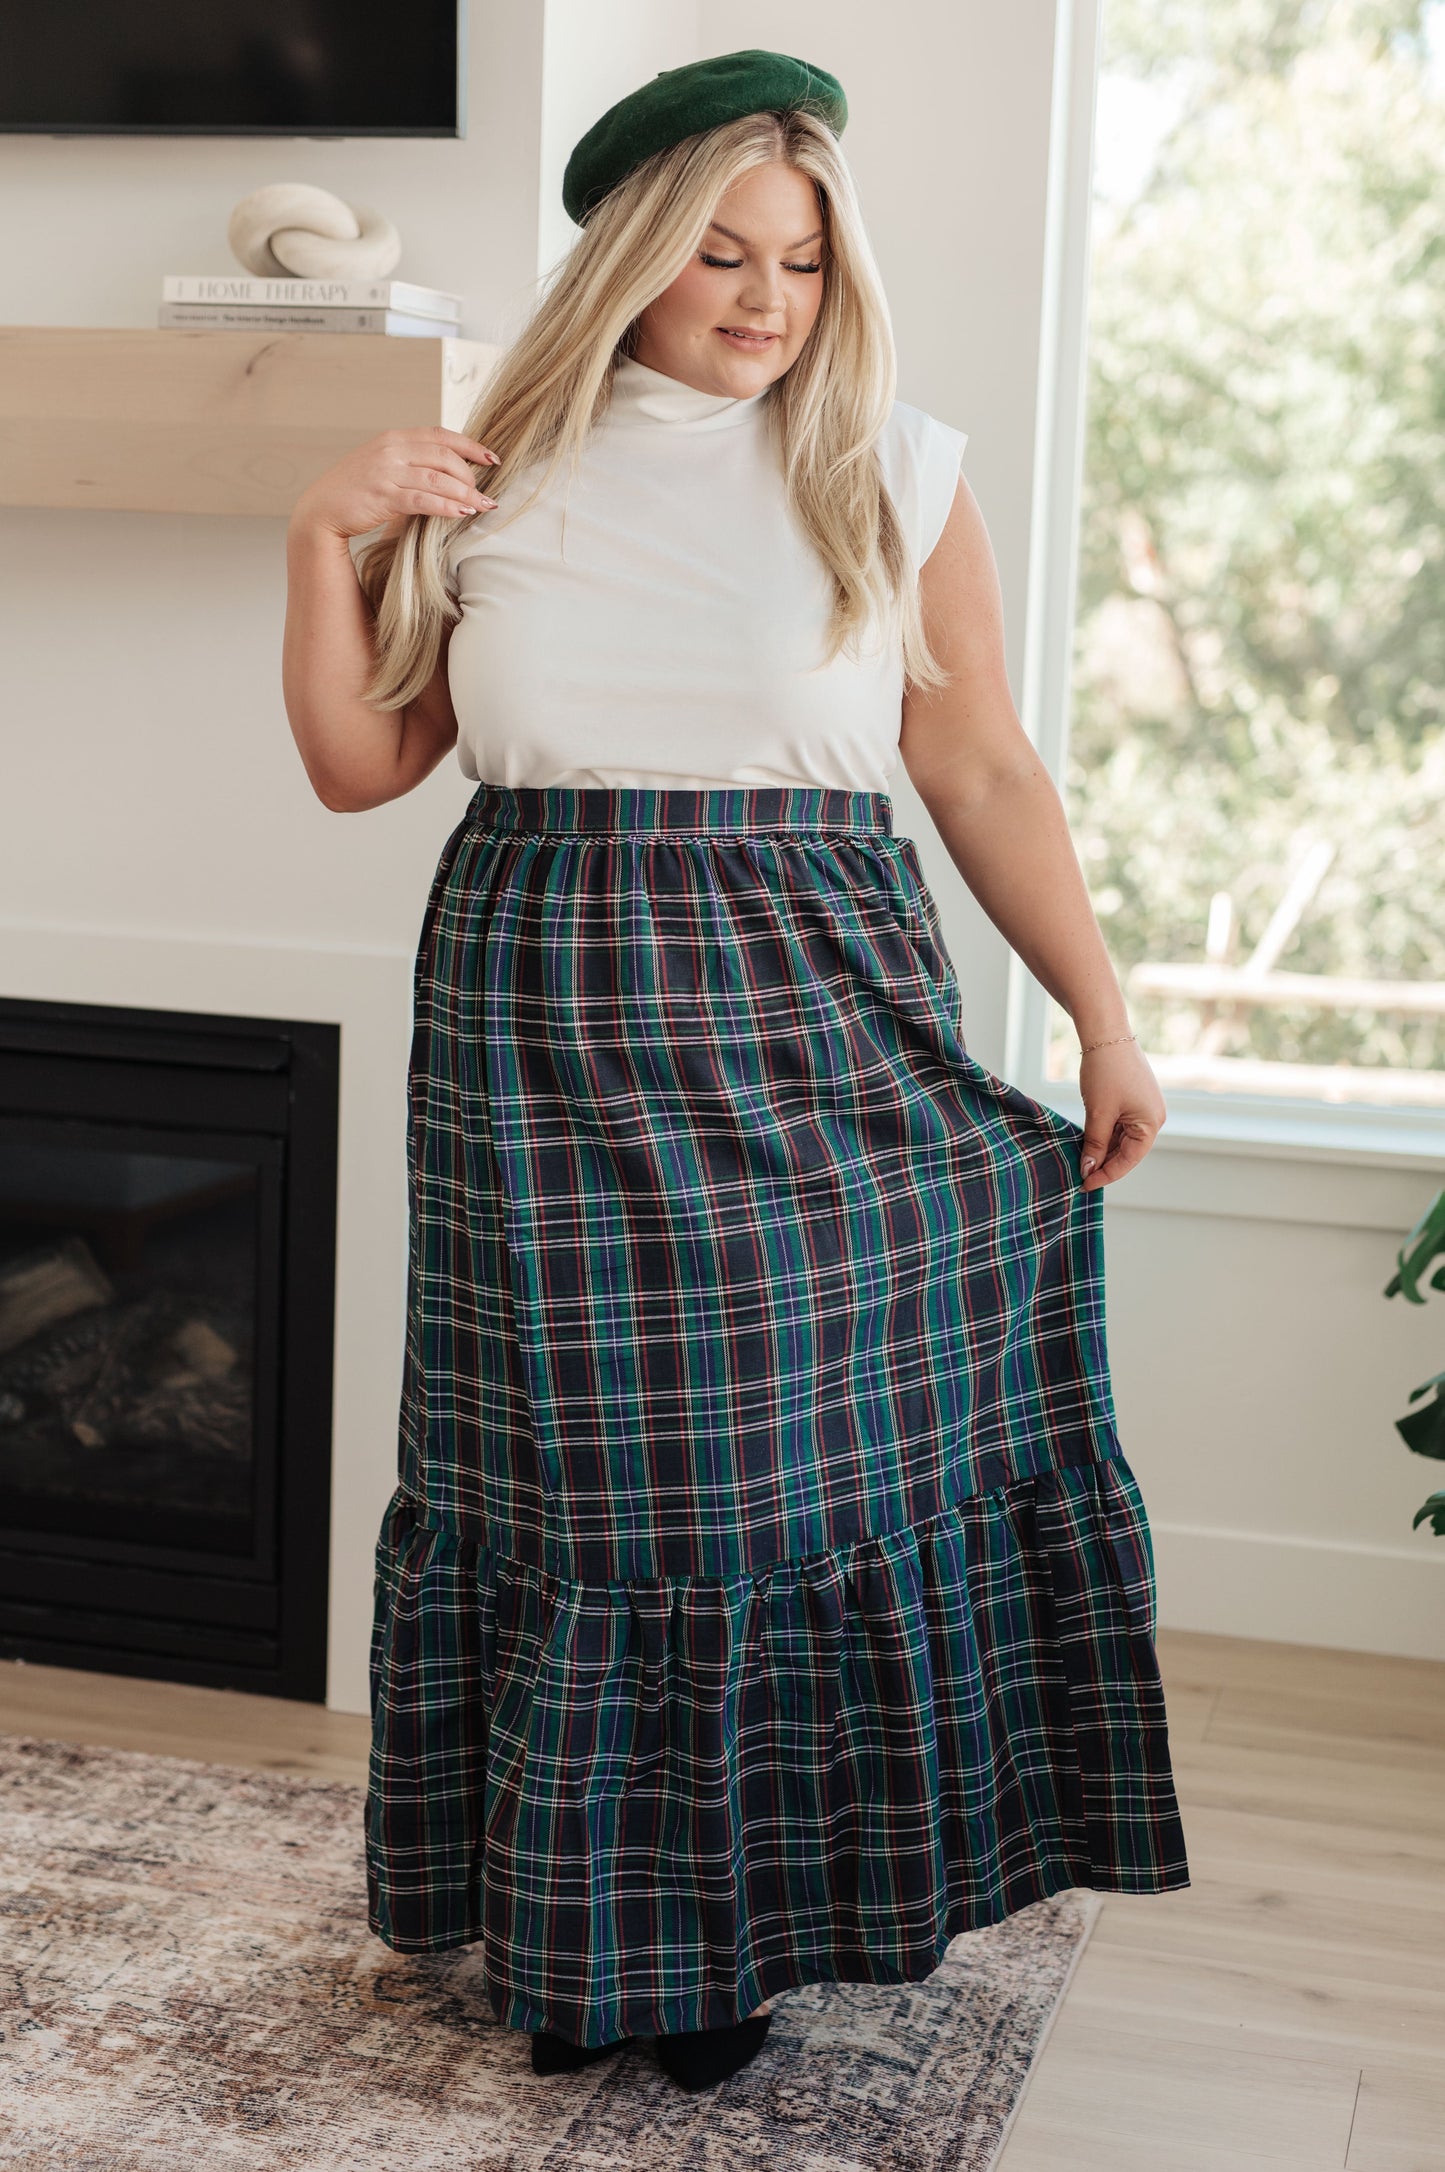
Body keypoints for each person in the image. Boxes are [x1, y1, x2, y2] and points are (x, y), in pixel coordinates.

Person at [281, 48, 1189, 2095]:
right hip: (542, 1013)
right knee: (593, 1483)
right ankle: (606, 1933)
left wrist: (1103, 1019)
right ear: (626, 249)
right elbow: (362, 769)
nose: (767, 299)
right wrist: (321, 532)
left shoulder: (892, 465)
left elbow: (974, 762)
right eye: (719, 250)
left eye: (799, 257)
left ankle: (750, 1921)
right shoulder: (490, 465)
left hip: (811, 1004)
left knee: (766, 1477)